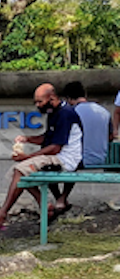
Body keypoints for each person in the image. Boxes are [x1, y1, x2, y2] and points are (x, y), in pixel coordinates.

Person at [0, 83, 82, 229]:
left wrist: (27, 157)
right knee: (16, 173)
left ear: (52, 97)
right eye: (35, 102)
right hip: (57, 155)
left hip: (65, 159)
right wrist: (27, 138)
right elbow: (47, 139)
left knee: (21, 170)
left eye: (40, 101)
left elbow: (55, 147)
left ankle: (2, 215)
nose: (37, 105)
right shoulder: (53, 112)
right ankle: (45, 205)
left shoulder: (65, 113)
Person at [51, 81, 114, 212]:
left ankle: (61, 198)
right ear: (84, 94)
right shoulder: (104, 112)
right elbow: (110, 136)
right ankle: (62, 200)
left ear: (68, 99)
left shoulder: (71, 113)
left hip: (81, 160)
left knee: (48, 164)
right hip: (101, 159)